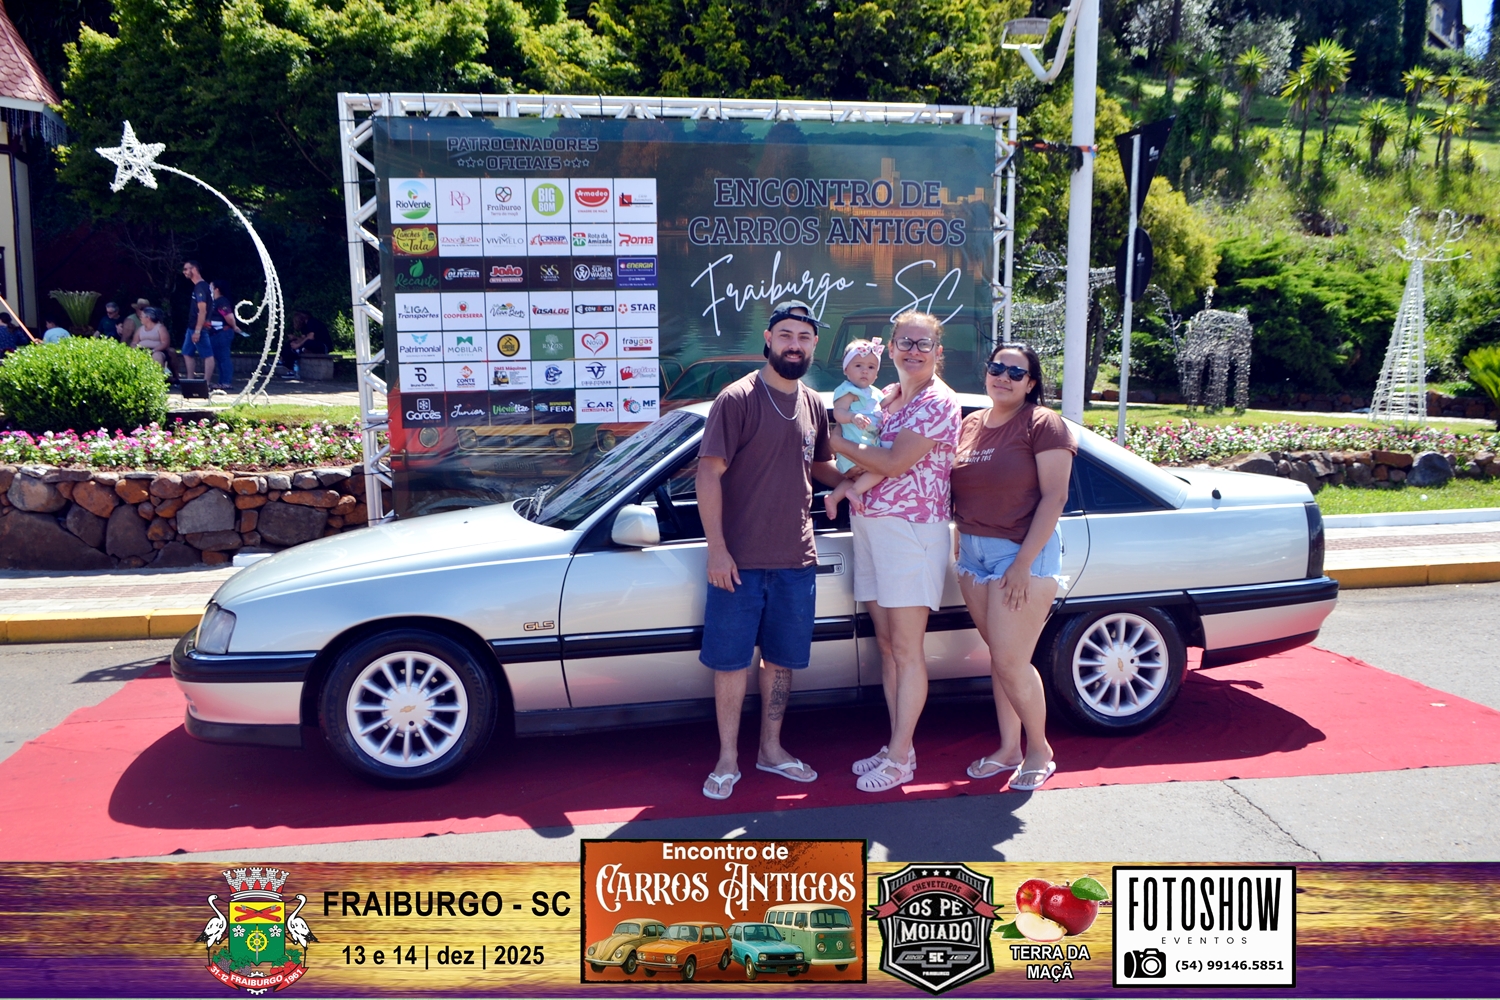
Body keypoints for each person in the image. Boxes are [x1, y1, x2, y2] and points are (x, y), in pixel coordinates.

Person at [696, 299, 843, 800]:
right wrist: (717, 550)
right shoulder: (737, 398)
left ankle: (771, 750)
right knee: (731, 662)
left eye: (803, 337)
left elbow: (819, 467)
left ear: (814, 344)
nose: (793, 345)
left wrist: (861, 481)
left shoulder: (813, 403)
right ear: (768, 339)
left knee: (780, 662)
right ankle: (727, 758)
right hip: (738, 564)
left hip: (797, 561)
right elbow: (708, 474)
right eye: (785, 335)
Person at [826, 311, 962, 793]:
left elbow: (893, 461)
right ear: (891, 347)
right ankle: (895, 746)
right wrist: (844, 485)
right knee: (886, 646)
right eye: (905, 342)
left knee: (906, 650)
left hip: (911, 532)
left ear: (937, 352)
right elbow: (872, 460)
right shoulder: (885, 395)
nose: (913, 351)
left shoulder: (938, 401)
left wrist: (833, 439)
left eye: (924, 344)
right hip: (870, 526)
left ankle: (902, 758)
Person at [950, 343, 1074, 793]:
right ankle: (1007, 749)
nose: (1003, 376)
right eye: (997, 367)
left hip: (1021, 554)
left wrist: (1022, 564)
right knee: (1000, 659)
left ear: (1031, 382)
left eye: (1015, 372)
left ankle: (1039, 749)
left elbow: (1055, 497)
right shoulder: (970, 424)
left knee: (1011, 659)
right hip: (973, 555)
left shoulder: (1042, 423)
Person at [823, 338, 888, 519]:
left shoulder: (875, 393)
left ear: (877, 373)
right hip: (852, 449)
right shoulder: (848, 391)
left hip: (865, 448)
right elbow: (838, 413)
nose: (865, 371)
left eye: (871, 367)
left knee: (855, 478)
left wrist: (898, 394)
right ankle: (853, 492)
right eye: (858, 365)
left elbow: (884, 405)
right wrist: (852, 417)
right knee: (882, 469)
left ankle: (834, 498)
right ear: (846, 369)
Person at [180, 260, 215, 384]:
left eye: (186, 269)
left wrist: (198, 331)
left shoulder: (200, 287)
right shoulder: (202, 286)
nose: (184, 272)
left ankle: (206, 383)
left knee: (207, 355)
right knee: (186, 352)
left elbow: (202, 311)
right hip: (192, 327)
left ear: (194, 269)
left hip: (198, 327)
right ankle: (190, 381)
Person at [209, 280, 239, 390]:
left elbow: (229, 317)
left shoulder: (221, 302)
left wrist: (234, 326)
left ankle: (226, 382)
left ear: (216, 289)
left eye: (211, 287)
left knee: (223, 358)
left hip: (222, 333)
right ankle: (222, 382)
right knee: (220, 358)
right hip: (216, 333)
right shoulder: (216, 302)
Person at [283, 310, 331, 377]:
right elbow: (303, 339)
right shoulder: (304, 327)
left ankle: (301, 350)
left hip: (323, 346)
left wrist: (298, 345)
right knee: (290, 344)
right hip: (312, 344)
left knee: (307, 343)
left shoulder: (312, 322)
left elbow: (311, 337)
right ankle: (287, 365)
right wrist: (295, 339)